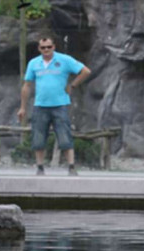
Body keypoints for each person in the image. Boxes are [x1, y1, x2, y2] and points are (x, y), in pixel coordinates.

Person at [17, 37, 91, 176]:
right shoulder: (34, 63)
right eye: (43, 47)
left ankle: (71, 166)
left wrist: (72, 85)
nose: (46, 50)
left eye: (49, 47)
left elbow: (85, 71)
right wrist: (22, 107)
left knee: (65, 136)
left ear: (54, 47)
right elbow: (27, 85)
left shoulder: (64, 59)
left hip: (60, 104)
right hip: (40, 105)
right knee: (38, 137)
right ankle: (40, 167)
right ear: (39, 49)